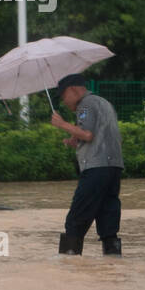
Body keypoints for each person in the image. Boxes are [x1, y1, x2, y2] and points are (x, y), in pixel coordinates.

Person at [50, 74, 124, 256]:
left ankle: (68, 267)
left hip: (96, 169)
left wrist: (62, 124)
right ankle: (113, 262)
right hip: (113, 168)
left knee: (75, 220)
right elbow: (96, 136)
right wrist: (74, 142)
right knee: (108, 222)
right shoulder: (103, 103)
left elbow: (88, 134)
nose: (64, 102)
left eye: (63, 96)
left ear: (73, 90)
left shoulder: (86, 104)